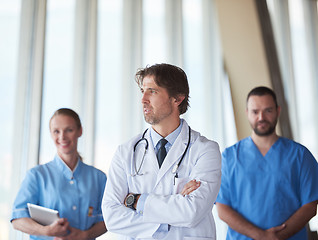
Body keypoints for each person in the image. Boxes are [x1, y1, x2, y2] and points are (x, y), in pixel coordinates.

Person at [102, 63, 222, 240]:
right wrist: (172, 212)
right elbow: (111, 216)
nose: (143, 99)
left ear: (177, 98)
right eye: (143, 91)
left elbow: (192, 211)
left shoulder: (206, 150)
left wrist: (136, 201)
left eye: (152, 91)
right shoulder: (126, 152)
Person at [216, 86, 318, 240]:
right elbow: (222, 208)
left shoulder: (300, 155)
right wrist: (261, 236)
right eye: (255, 112)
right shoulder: (229, 157)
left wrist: (278, 236)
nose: (261, 117)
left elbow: (310, 206)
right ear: (247, 113)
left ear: (278, 111)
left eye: (268, 110)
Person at [11, 108, 107, 240]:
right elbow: (17, 219)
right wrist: (46, 231)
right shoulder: (36, 175)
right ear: (51, 134)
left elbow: (109, 218)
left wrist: (85, 235)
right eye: (56, 131)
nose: (62, 137)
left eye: (69, 130)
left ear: (80, 131)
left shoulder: (99, 178)